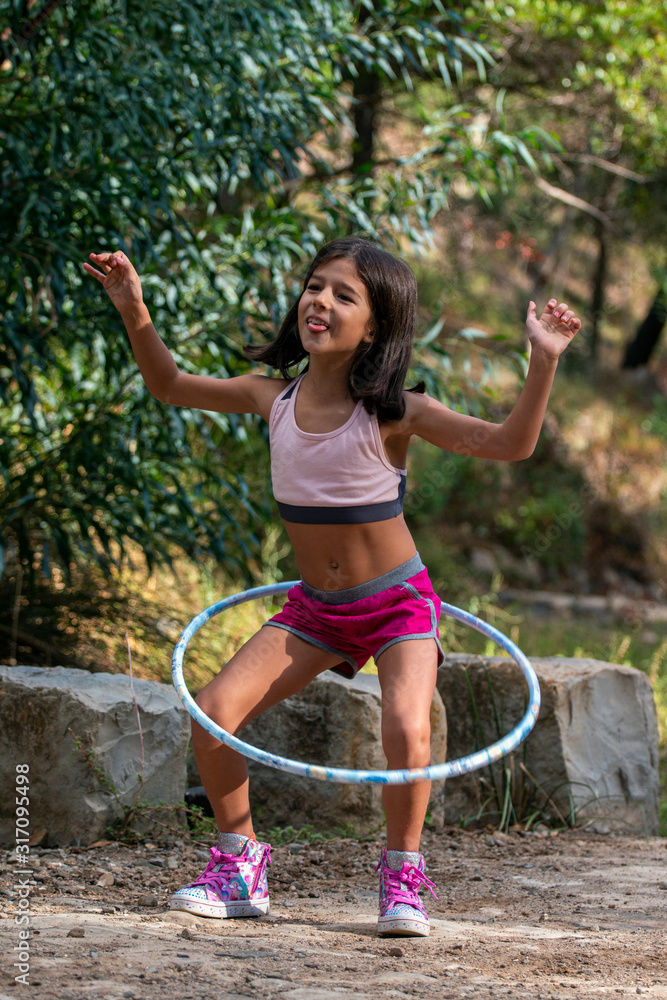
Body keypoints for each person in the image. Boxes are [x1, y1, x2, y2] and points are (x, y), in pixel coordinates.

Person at [83, 237, 580, 937]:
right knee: (213, 710)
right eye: (315, 286)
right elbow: (169, 386)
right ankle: (238, 862)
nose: (320, 301)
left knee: (407, 726)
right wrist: (133, 307)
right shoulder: (270, 398)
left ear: (374, 327)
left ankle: (403, 876)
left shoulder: (397, 413)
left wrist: (542, 361)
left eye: (344, 295)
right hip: (316, 609)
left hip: (396, 605)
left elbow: (509, 444)